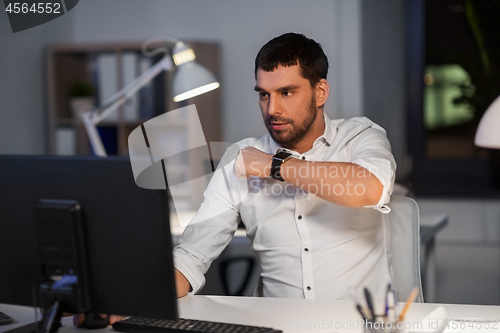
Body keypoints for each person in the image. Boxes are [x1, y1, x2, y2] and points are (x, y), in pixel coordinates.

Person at [173, 33, 396, 301]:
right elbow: (192, 254)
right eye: (264, 95)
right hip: (275, 324)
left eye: (286, 93)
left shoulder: (360, 136)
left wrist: (273, 165)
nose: (272, 109)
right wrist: (137, 299)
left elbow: (370, 188)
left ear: (320, 92)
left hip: (359, 324)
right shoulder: (240, 158)